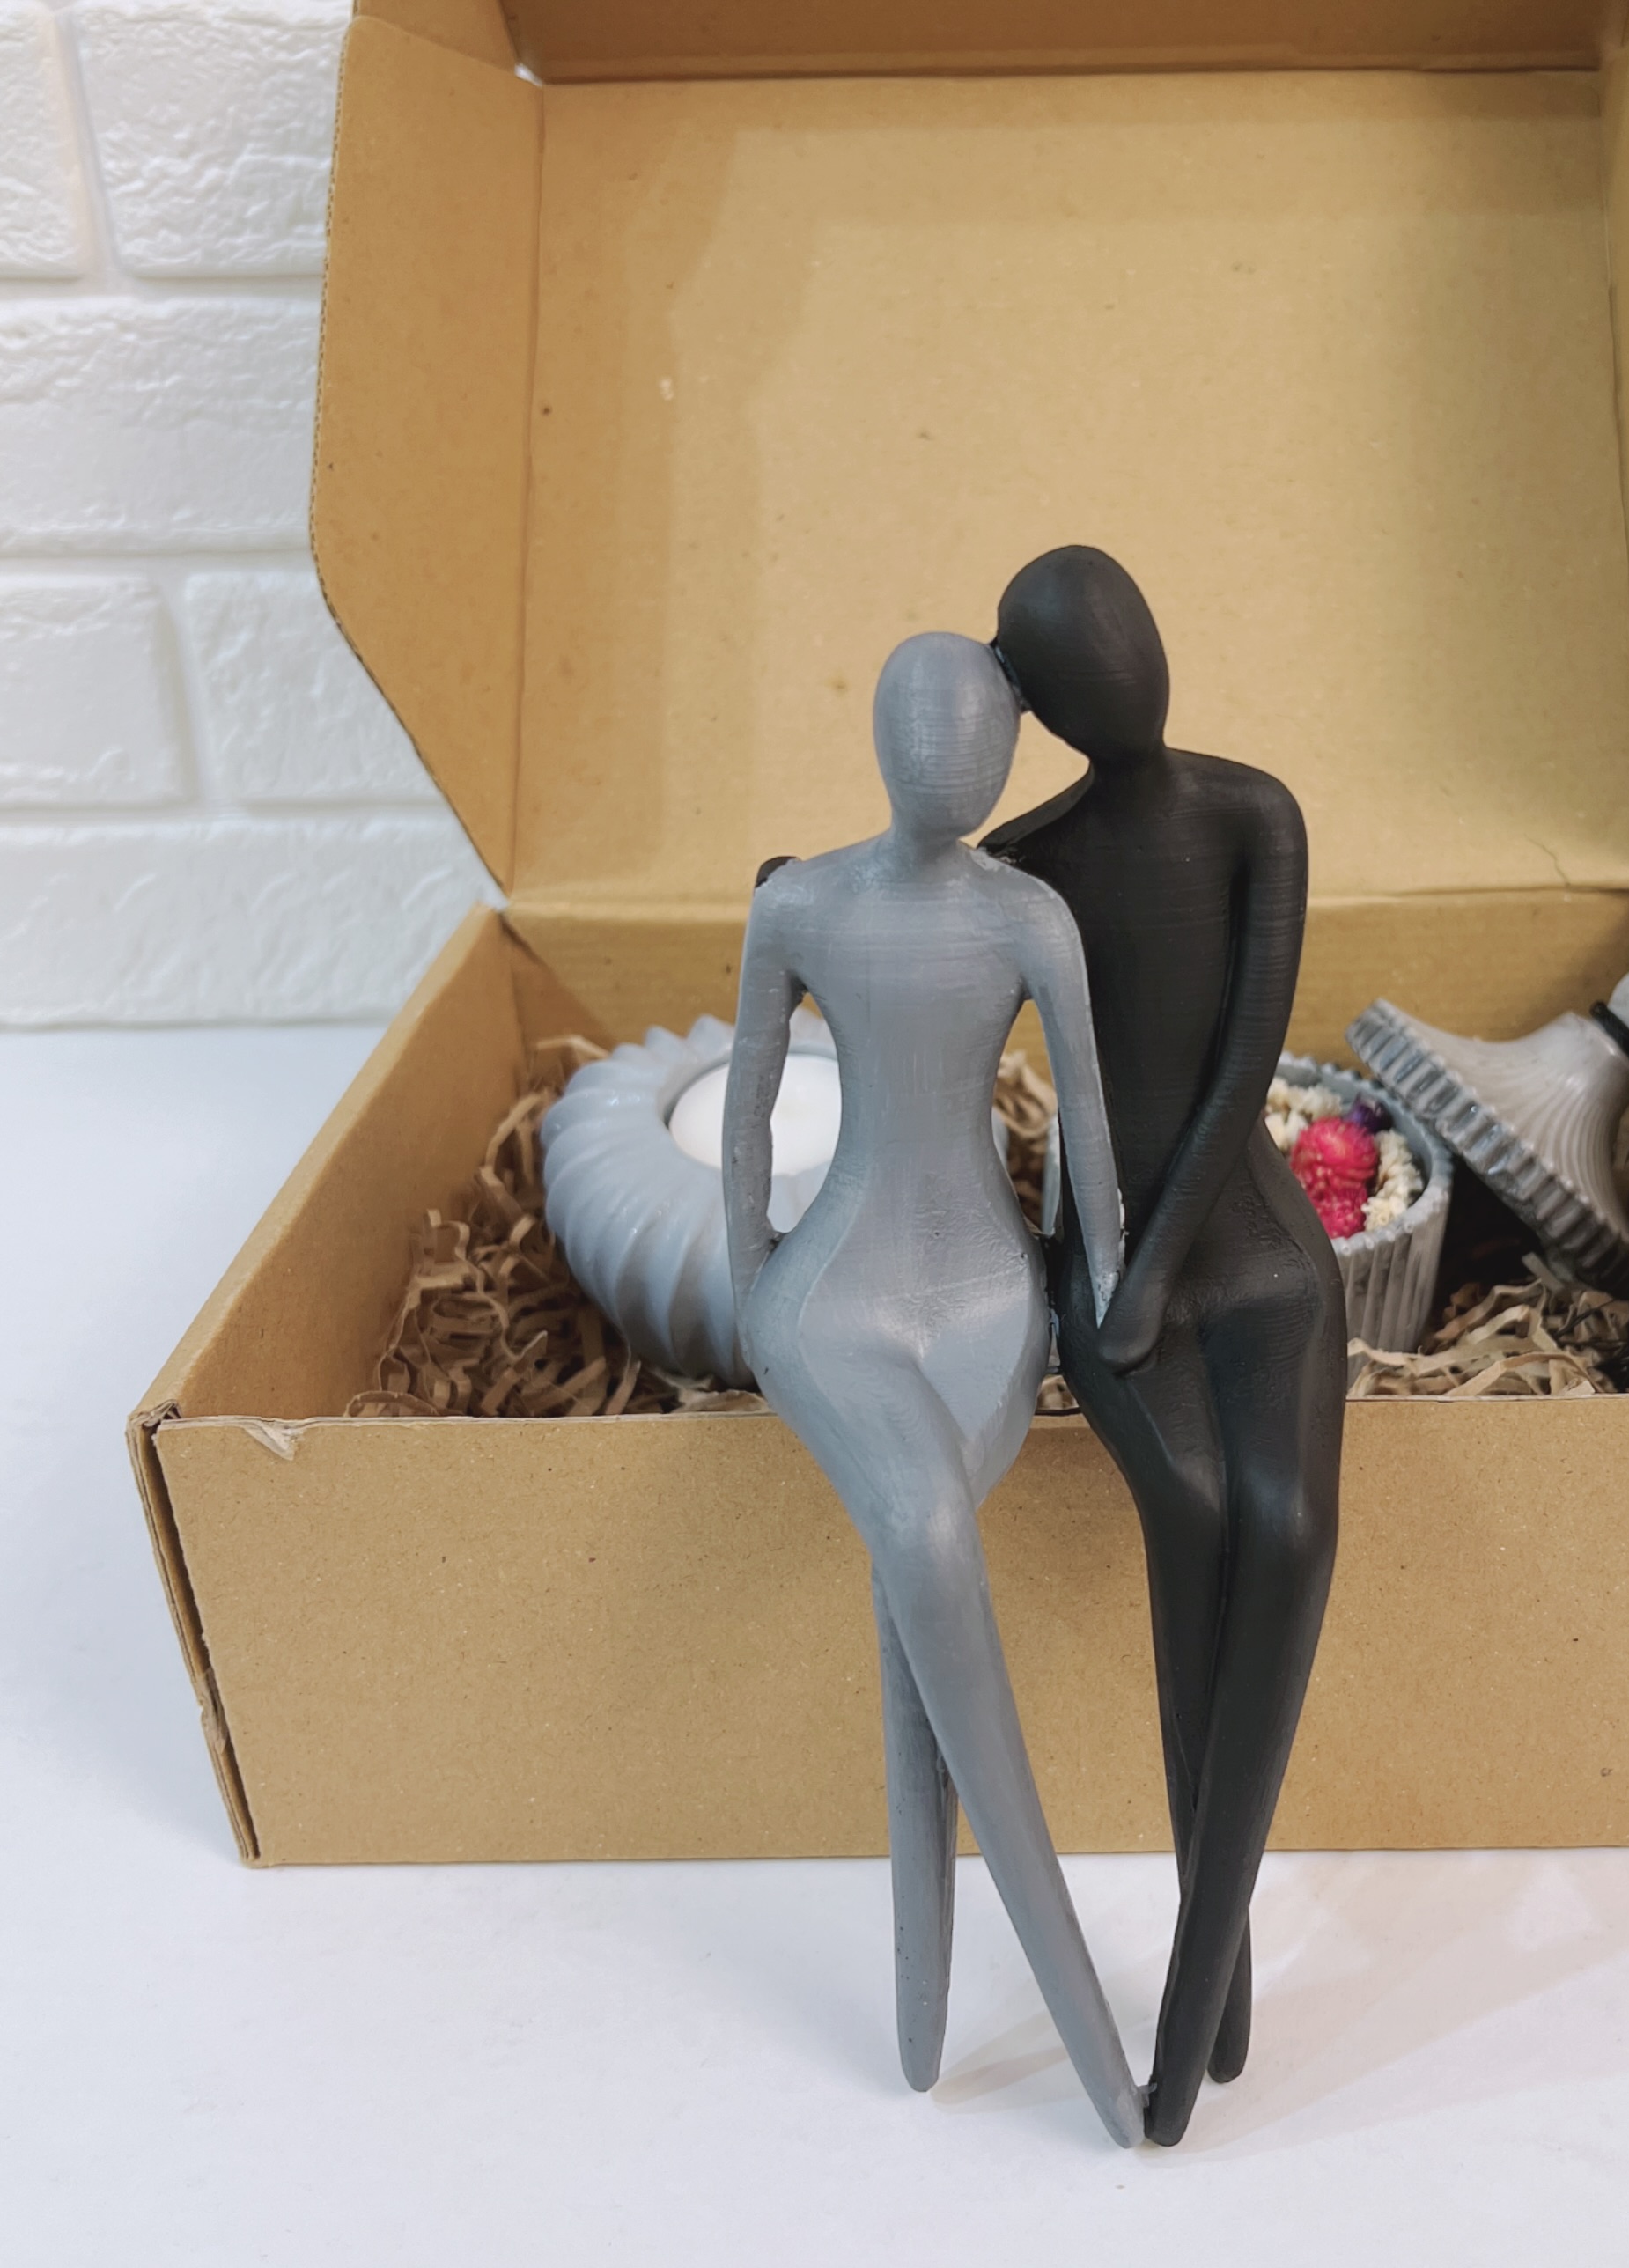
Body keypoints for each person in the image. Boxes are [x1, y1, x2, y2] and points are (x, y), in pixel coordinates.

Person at [723, 630, 1141, 2147]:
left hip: (983, 1295)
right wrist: (747, 1282)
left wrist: (1102, 1291)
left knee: (921, 1571)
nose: (947, 763)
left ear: (1013, 754)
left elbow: (1084, 1121)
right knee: (924, 1530)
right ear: (880, 735)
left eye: (977, 740)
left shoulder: (1032, 918)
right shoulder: (800, 905)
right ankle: (1085, 2026)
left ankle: (927, 2013)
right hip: (834, 1291)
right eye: (922, 729)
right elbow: (751, 1102)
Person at [984, 548, 1345, 2146]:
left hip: (1250, 1248)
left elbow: (1245, 1059)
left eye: (1132, 634)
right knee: (1195, 1534)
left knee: (1290, 1533)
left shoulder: (1255, 814)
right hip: (1112, 1263)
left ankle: (1192, 2025)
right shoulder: (1023, 865)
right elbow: (917, 977)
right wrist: (809, 894)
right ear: (1040, 704)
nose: (1128, 675)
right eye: (1085, 662)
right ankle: (1216, 2011)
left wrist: (1154, 1272)